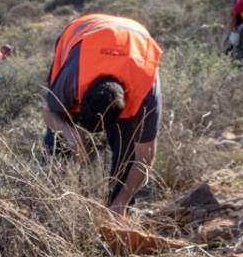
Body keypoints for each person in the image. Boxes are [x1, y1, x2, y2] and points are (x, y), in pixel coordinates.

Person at [42, 14, 163, 215]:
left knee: (127, 148)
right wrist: (68, 131)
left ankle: (114, 209)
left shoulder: (146, 93)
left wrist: (121, 202)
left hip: (135, 44)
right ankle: (50, 198)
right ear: (80, 97)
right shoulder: (72, 80)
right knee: (57, 137)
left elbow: (145, 156)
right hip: (81, 35)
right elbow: (48, 113)